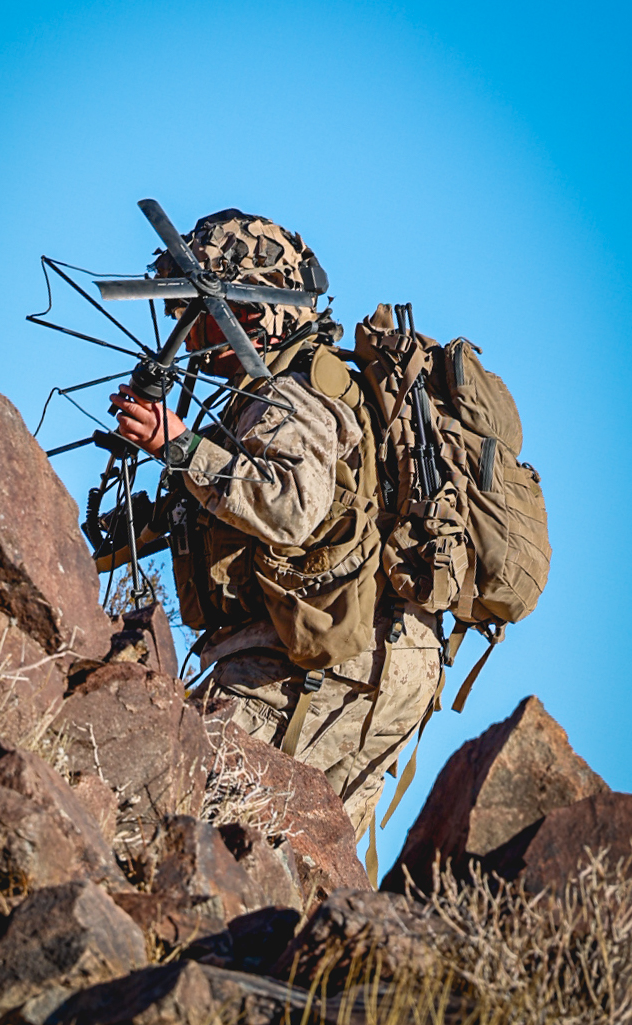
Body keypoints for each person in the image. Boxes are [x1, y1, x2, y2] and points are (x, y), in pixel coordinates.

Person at [110, 209, 442, 864]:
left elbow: (292, 508)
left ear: (246, 309)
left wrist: (178, 446)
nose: (189, 328)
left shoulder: (287, 394)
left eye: (195, 309)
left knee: (186, 818)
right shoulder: (313, 384)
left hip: (314, 664)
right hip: (384, 657)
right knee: (307, 869)